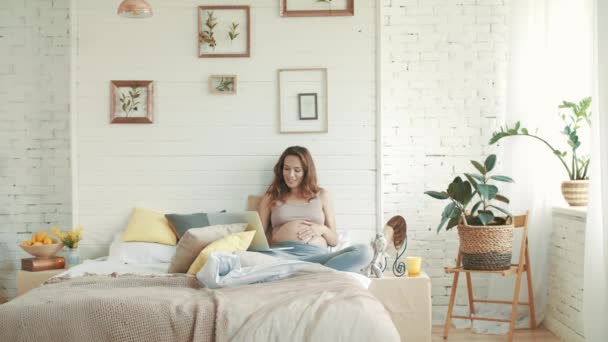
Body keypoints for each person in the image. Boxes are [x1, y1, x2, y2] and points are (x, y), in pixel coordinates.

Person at [257, 146, 372, 273]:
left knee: (364, 252)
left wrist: (321, 229)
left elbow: (333, 241)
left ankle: (307, 272)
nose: (290, 175)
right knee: (238, 258)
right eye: (286, 169)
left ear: (306, 172)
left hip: (317, 257)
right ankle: (316, 274)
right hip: (283, 256)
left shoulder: (322, 195)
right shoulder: (271, 197)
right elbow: (258, 239)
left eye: (297, 170)